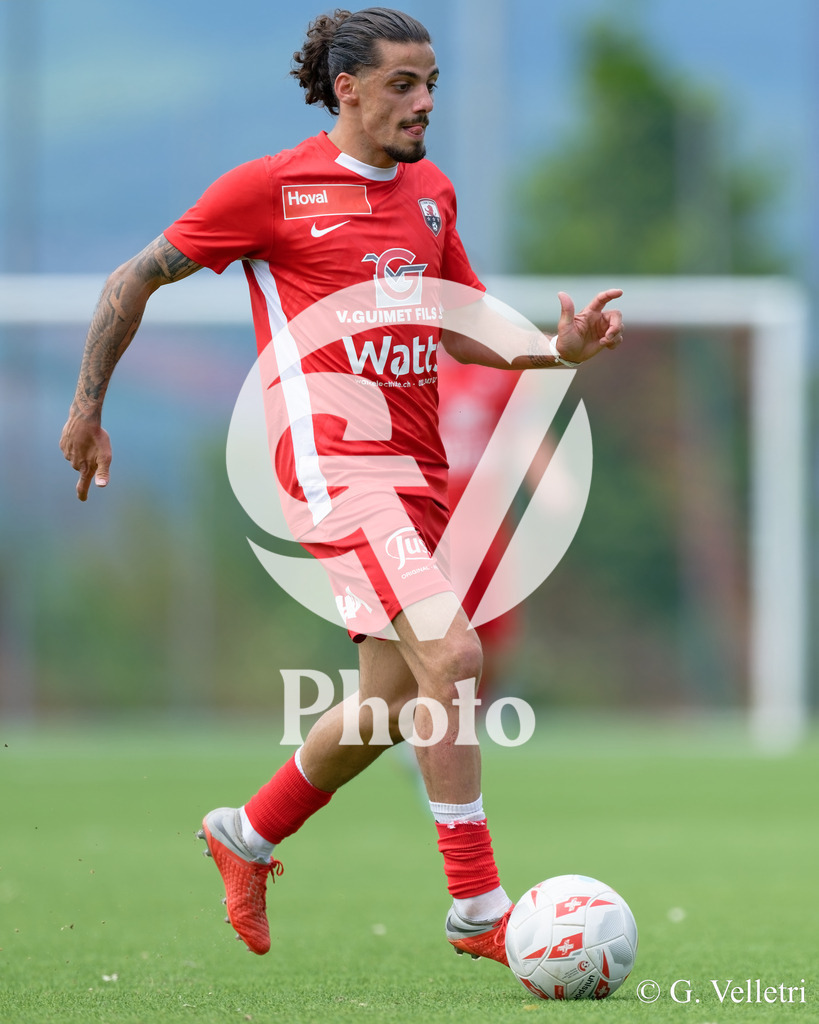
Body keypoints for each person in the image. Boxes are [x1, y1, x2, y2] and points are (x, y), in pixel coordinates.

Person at [60, 7, 623, 964]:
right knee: (457, 655)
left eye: (432, 82)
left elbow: (457, 323)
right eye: (403, 85)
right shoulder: (270, 189)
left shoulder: (431, 193)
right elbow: (132, 280)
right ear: (346, 88)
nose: (424, 103)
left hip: (419, 477)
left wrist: (547, 349)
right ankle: (478, 909)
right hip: (334, 466)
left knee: (394, 702)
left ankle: (244, 834)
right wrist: (87, 410)